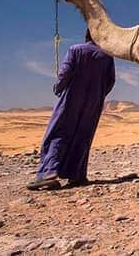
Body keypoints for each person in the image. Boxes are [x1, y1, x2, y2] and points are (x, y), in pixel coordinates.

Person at [27, 30, 115, 190]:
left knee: (58, 132)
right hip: (94, 102)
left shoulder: (75, 49)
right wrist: (99, 94)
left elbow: (65, 72)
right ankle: (77, 175)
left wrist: (59, 87)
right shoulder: (107, 56)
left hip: (71, 98)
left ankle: (49, 172)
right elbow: (110, 81)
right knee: (83, 135)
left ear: (87, 36)